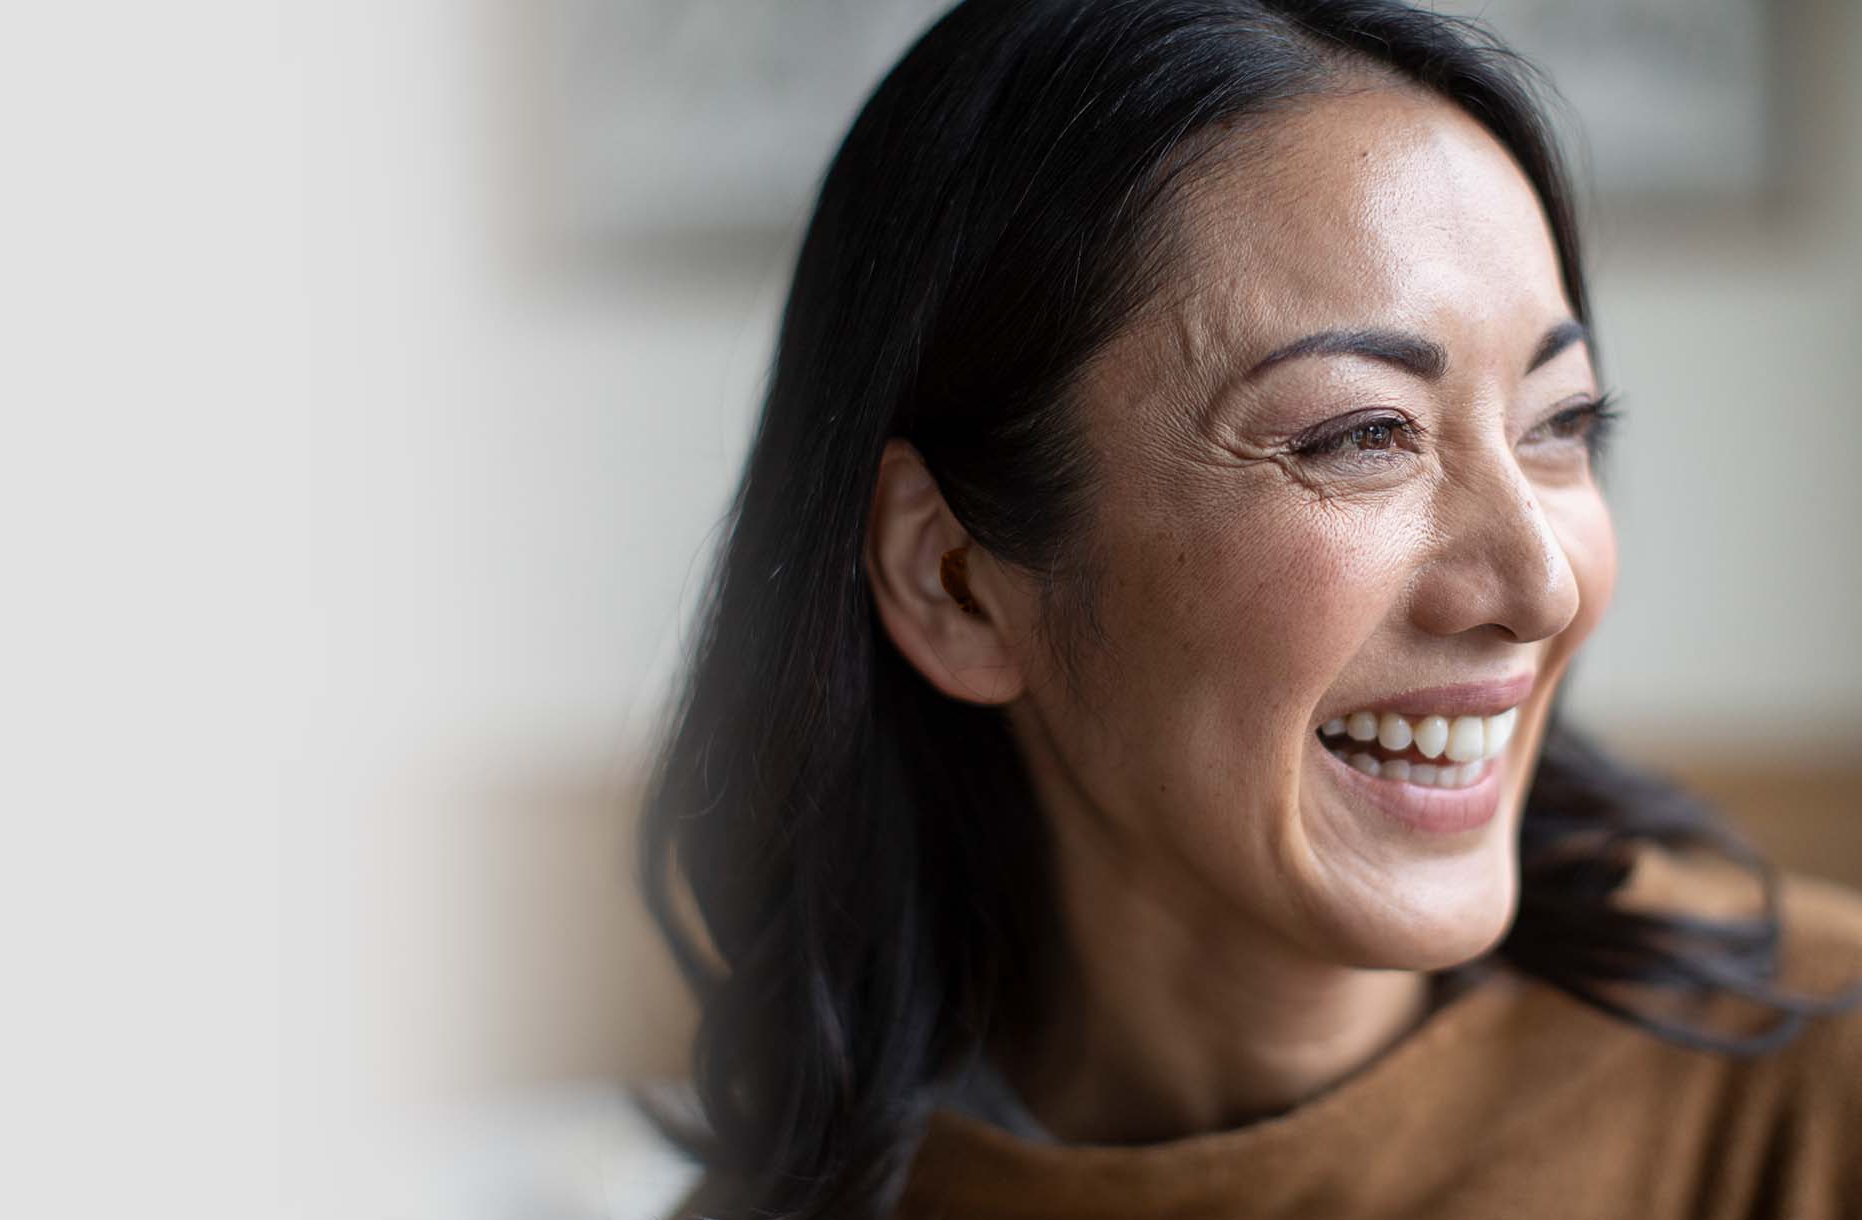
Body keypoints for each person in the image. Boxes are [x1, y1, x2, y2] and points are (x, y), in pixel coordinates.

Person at [637, 2, 1862, 1216]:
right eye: (1360, 434)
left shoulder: (1820, 1085)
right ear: (953, 578)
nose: (1543, 587)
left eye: (1560, 424)